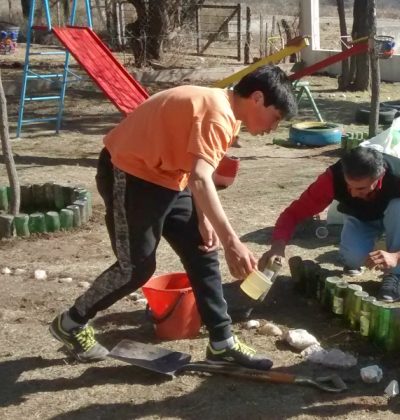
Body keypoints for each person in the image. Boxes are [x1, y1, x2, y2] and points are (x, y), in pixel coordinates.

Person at [49, 64, 297, 369]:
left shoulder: (229, 114)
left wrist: (204, 220)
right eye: (276, 118)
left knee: (203, 248)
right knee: (135, 268)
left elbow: (197, 172)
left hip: (169, 177)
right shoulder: (217, 113)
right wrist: (233, 241)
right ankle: (71, 323)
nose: (273, 128)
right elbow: (200, 179)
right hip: (130, 172)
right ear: (257, 98)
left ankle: (222, 342)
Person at [259, 146, 400, 302]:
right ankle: (375, 245)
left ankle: (393, 275)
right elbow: (293, 213)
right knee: (354, 259)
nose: (353, 193)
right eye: (348, 185)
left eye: (361, 188)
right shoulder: (332, 178)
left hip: (395, 217)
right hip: (360, 218)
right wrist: (277, 247)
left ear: (379, 177)